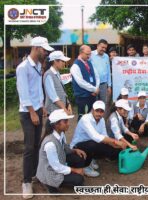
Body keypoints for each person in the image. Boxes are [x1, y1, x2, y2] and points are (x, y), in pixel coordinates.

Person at [16, 36, 53, 199]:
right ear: (37, 48)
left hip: (37, 110)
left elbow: (37, 89)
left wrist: (42, 106)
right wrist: (32, 112)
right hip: (27, 112)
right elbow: (23, 92)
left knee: (37, 145)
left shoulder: (38, 66)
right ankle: (26, 182)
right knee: (29, 147)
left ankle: (35, 174)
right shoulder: (23, 67)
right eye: (44, 50)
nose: (46, 53)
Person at [70, 101, 128, 177]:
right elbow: (95, 136)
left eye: (101, 111)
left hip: (90, 144)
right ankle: (85, 167)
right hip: (77, 146)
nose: (99, 113)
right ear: (92, 110)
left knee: (109, 148)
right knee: (93, 144)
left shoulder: (102, 120)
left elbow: (105, 136)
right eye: (97, 110)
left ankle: (90, 159)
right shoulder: (85, 119)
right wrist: (116, 141)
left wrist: (116, 145)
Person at [36, 109, 86, 193]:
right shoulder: (50, 144)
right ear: (56, 124)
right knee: (79, 180)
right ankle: (49, 184)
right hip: (51, 171)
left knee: (79, 157)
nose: (68, 124)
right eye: (65, 121)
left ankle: (69, 176)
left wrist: (74, 150)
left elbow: (64, 147)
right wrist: (75, 170)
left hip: (58, 164)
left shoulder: (61, 133)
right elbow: (56, 167)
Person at [70, 45, 100, 121]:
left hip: (92, 95)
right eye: (87, 54)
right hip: (83, 97)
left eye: (90, 54)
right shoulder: (75, 66)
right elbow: (81, 82)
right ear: (81, 53)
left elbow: (97, 76)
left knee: (92, 117)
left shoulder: (90, 63)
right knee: (83, 118)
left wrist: (96, 88)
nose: (89, 56)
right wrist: (93, 89)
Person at [90, 39, 112, 104]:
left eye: (105, 48)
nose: (104, 49)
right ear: (97, 46)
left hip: (104, 84)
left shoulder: (106, 56)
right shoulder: (91, 55)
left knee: (104, 104)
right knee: (95, 104)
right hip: (94, 85)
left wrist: (109, 86)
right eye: (102, 47)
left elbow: (108, 71)